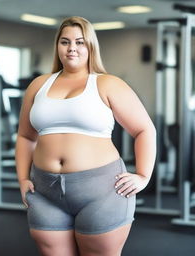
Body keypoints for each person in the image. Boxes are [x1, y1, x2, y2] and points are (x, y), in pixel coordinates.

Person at [15, 16, 156, 256]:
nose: (72, 48)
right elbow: (26, 137)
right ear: (57, 46)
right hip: (45, 190)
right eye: (65, 42)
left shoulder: (108, 84)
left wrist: (143, 175)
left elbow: (144, 130)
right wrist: (21, 179)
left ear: (91, 46)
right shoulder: (38, 85)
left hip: (101, 191)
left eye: (80, 42)